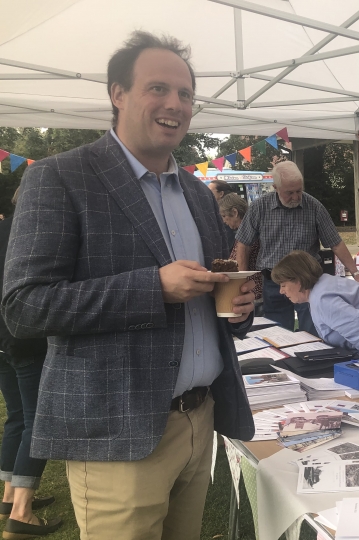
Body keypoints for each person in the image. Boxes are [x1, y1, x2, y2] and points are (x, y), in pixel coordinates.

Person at [1, 31, 256, 540]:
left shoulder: (197, 193)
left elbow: (209, 294)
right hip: (116, 428)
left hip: (198, 419)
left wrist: (240, 304)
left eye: (185, 94)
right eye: (157, 88)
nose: (175, 104)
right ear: (118, 94)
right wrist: (151, 288)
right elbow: (24, 307)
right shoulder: (60, 177)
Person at [234, 160, 359, 333]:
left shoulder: (314, 206)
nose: (295, 197)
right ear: (276, 187)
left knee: (313, 331)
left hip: (307, 283)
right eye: (289, 193)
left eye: (299, 191)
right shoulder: (259, 207)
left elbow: (335, 243)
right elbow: (243, 244)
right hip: (274, 283)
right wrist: (241, 280)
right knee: (276, 334)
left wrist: (357, 274)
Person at [0, 186, 60, 538]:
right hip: (24, 339)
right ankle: (21, 512)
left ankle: (9, 497)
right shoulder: (35, 236)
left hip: (3, 341)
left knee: (18, 417)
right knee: (37, 422)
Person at [271, 250, 359, 367]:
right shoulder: (323, 285)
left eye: (283, 285)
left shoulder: (322, 299)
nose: (281, 291)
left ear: (298, 280)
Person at [219, 193, 263, 300]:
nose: (224, 221)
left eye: (224, 216)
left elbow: (242, 262)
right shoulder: (248, 230)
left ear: (235, 212)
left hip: (249, 289)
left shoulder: (247, 233)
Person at [209, 180, 237, 250]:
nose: (206, 193)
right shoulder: (213, 208)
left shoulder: (228, 209)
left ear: (221, 193)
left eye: (210, 191)